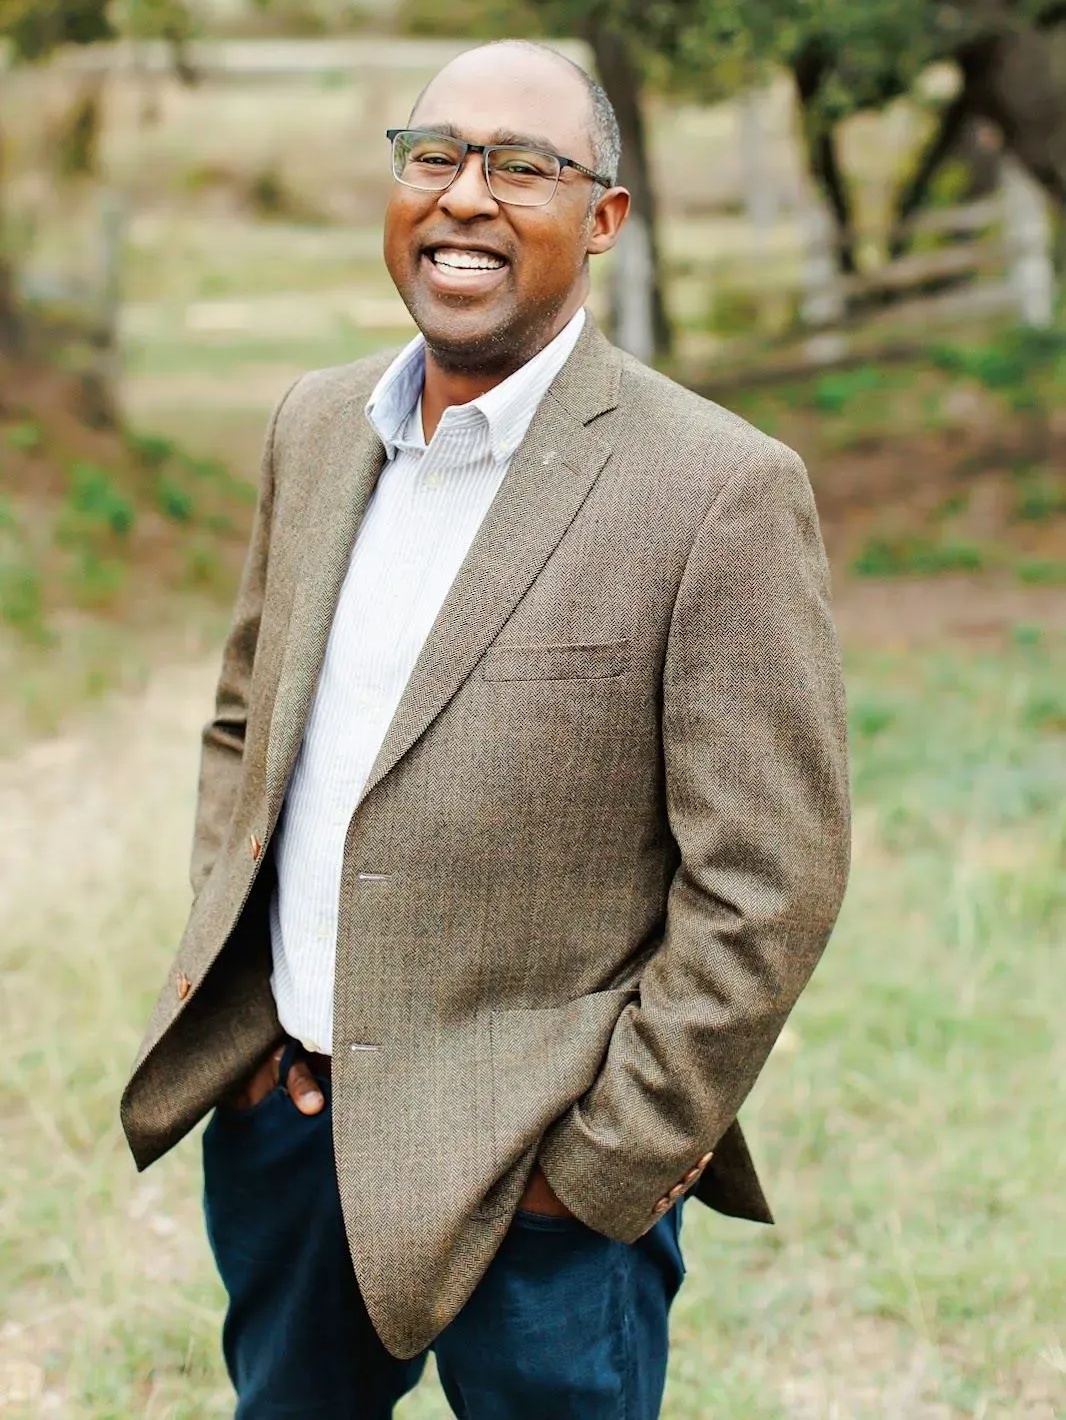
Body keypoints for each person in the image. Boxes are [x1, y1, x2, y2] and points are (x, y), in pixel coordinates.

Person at [120, 38, 851, 1420]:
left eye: (525, 167)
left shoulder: (716, 489)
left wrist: (607, 1162)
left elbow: (770, 876)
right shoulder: (317, 424)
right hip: (289, 1134)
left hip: (537, 1180)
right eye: (434, 156)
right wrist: (255, 1024)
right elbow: (244, 719)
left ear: (603, 219)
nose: (465, 196)